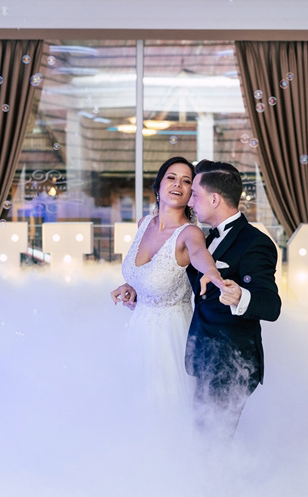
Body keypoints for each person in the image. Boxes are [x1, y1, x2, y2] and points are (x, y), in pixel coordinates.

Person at [110, 157, 224, 416]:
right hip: (139, 330)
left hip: (171, 336)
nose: (177, 185)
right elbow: (150, 273)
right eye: (171, 177)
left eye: (186, 181)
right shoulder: (143, 223)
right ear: (159, 184)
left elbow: (199, 253)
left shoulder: (189, 233)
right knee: (135, 405)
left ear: (192, 193)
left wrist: (211, 271)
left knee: (166, 408)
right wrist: (132, 286)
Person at [184, 159, 281, 438]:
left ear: (214, 199)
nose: (190, 202)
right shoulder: (204, 240)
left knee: (213, 442)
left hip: (230, 365)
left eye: (195, 195)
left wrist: (240, 295)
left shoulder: (255, 243)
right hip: (203, 358)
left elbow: (271, 305)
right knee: (199, 438)